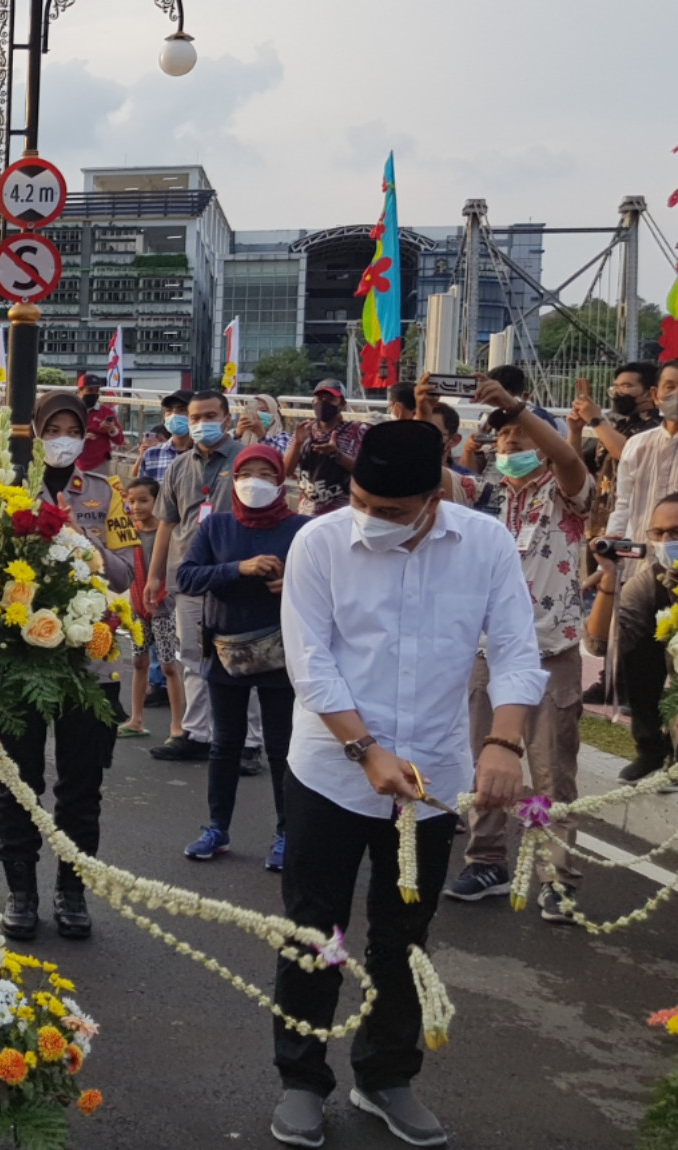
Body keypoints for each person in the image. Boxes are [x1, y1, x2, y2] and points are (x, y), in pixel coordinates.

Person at [269, 419, 537, 1149]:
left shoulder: (483, 545)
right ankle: (300, 1078)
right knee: (313, 927)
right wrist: (364, 750)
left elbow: (516, 651)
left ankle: (385, 1075)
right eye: (360, 501)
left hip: (432, 781)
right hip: (328, 772)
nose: (370, 520)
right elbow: (309, 662)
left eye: (390, 511)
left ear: (435, 493)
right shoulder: (318, 542)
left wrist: (502, 742)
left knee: (403, 936)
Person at [434, 377, 592, 917]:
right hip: (486, 650)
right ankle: (487, 861)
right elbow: (428, 477)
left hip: (550, 650)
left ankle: (558, 878)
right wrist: (424, 414)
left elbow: (567, 458)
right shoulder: (483, 494)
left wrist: (517, 410)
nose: (510, 451)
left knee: (551, 771)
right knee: (485, 761)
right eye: (502, 444)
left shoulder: (568, 495)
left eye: (520, 444)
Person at [0, 393, 138, 942]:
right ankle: (21, 890)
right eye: (51, 426)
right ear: (33, 432)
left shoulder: (106, 494)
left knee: (81, 784)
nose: (62, 436)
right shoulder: (5, 494)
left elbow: (125, 576)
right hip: (17, 664)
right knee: (17, 782)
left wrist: (84, 541)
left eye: (71, 427)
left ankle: (72, 890)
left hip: (90, 662)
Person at [174, 445, 308, 872]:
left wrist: (293, 585)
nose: (255, 482)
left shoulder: (304, 529)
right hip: (226, 650)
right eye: (245, 472)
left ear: (281, 480)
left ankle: (289, 834)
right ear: (232, 479)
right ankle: (216, 827)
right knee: (224, 744)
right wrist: (239, 569)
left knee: (282, 747)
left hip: (282, 654)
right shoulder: (216, 526)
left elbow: (332, 586)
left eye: (265, 474)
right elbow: (187, 578)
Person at [147, 389, 248, 766]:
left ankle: (247, 743)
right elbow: (166, 524)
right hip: (187, 575)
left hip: (236, 574)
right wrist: (155, 576)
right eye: (195, 418)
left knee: (243, 657)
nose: (201, 424)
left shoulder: (245, 460)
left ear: (225, 417)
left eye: (209, 415)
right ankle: (197, 733)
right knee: (191, 655)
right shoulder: (178, 466)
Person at [587, 494, 678, 782]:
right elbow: (600, 643)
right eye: (659, 533)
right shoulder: (653, 580)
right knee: (634, 650)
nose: (666, 540)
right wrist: (609, 578)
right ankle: (652, 749)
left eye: (676, 532)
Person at [604, 362, 678, 554]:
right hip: (638, 561)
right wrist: (608, 563)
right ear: (655, 395)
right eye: (670, 387)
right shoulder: (637, 445)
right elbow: (623, 505)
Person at [283, 381, 368, 517]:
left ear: (342, 404)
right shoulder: (304, 430)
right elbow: (286, 470)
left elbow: (366, 471)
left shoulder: (357, 431)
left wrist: (337, 455)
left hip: (343, 513)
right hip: (307, 511)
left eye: (330, 399)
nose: (323, 403)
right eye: (319, 399)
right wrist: (297, 444)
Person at [118, 475, 161, 737]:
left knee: (169, 665)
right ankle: (136, 719)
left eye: (143, 500)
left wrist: (160, 595)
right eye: (131, 501)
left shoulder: (167, 531)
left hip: (162, 605)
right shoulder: (128, 531)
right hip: (136, 606)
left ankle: (180, 727)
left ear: (158, 501)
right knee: (138, 661)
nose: (136, 507)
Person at [135, 390, 193, 482]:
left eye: (181, 410)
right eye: (169, 410)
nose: (174, 415)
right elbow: (143, 491)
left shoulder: (206, 453)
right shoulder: (152, 454)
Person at [77, 372, 125, 473]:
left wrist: (111, 429)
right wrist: (81, 436)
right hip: (74, 462)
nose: (93, 394)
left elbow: (119, 440)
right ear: (80, 391)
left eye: (97, 391)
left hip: (100, 464)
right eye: (90, 390)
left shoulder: (106, 412)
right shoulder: (71, 411)